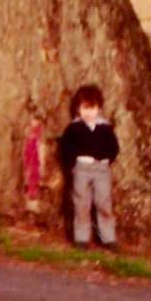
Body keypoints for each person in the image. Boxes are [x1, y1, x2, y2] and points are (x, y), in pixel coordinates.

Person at [59, 84, 119, 249]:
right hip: (81, 168)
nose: (88, 112)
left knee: (104, 202)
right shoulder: (73, 128)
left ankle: (108, 237)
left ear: (99, 108)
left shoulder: (105, 128)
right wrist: (72, 164)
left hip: (101, 169)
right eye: (84, 108)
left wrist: (107, 159)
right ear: (78, 109)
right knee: (81, 203)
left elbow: (114, 147)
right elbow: (65, 148)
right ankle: (82, 238)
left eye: (92, 108)